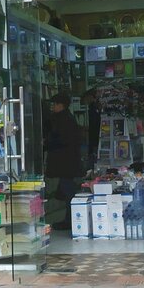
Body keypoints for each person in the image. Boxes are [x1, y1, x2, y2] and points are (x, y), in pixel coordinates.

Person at [45, 93, 84, 229]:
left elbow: (60, 140)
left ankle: (70, 220)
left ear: (60, 105)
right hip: (68, 163)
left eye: (54, 104)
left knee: (68, 192)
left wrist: (46, 143)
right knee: (67, 190)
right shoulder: (68, 118)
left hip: (64, 163)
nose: (52, 107)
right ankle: (69, 219)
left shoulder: (62, 120)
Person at [82, 88, 101, 170]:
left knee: (92, 159)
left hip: (93, 138)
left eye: (86, 98)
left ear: (90, 97)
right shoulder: (95, 108)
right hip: (94, 138)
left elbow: (93, 124)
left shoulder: (92, 108)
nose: (85, 100)